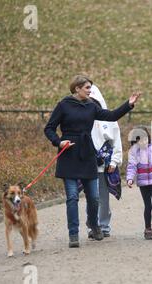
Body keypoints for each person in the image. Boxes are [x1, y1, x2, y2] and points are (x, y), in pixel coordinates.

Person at [44, 75, 140, 248]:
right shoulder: (63, 105)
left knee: (94, 197)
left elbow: (111, 116)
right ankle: (73, 234)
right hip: (69, 153)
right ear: (77, 89)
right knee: (72, 197)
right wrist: (58, 141)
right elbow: (49, 128)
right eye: (87, 88)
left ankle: (94, 225)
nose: (90, 91)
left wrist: (129, 104)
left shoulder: (91, 106)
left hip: (88, 154)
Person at [85, 84, 123, 239]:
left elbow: (117, 142)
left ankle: (104, 225)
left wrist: (114, 161)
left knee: (103, 198)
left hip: (105, 166)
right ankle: (92, 226)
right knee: (91, 198)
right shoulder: (83, 120)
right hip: (88, 164)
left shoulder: (110, 120)